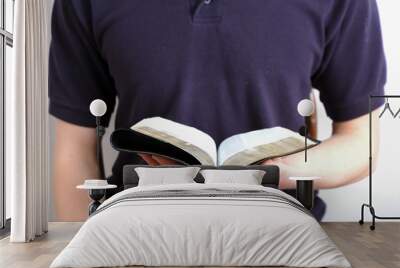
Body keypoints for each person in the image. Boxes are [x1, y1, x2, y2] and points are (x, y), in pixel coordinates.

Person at [49, 0, 386, 221]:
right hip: (136, 232)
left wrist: (278, 170)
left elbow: (362, 141)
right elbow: (74, 145)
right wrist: (86, 253)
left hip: (283, 231)